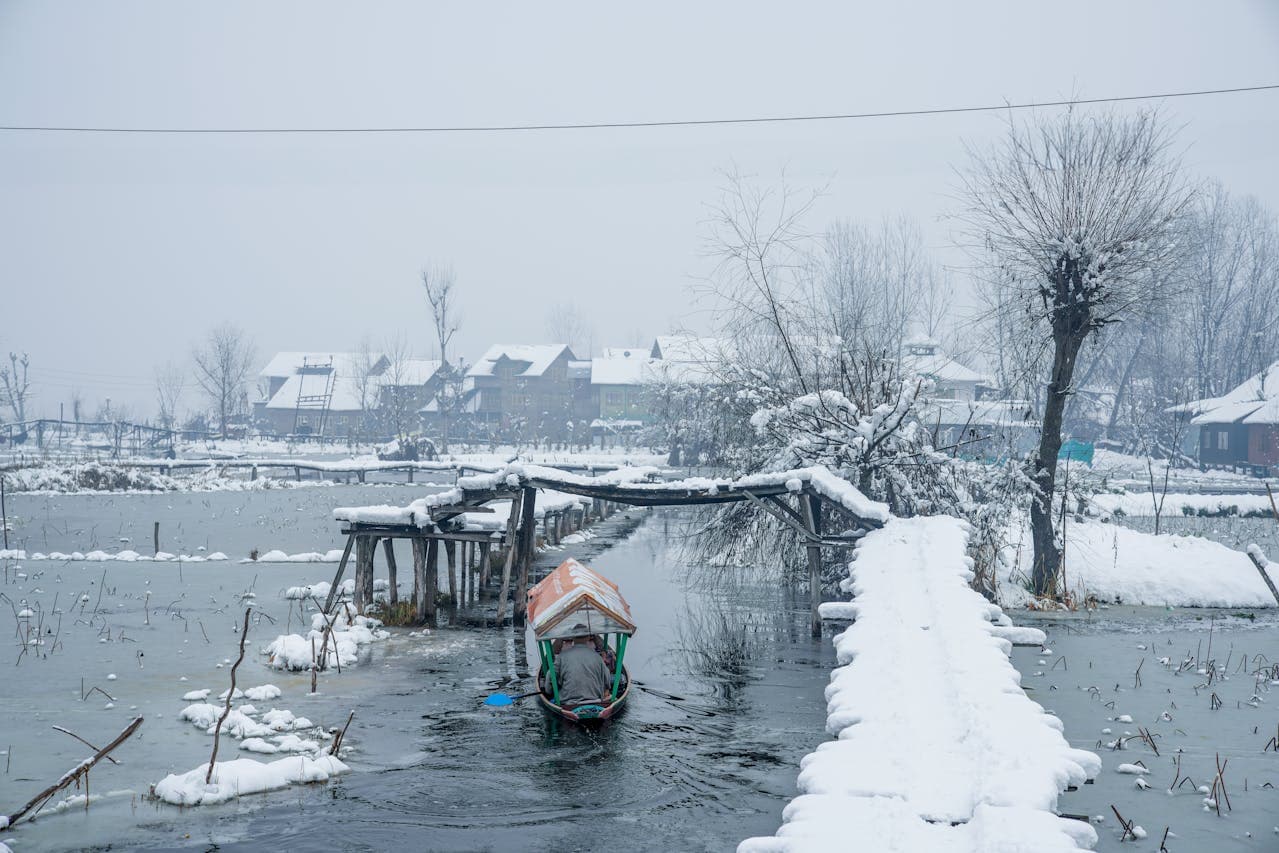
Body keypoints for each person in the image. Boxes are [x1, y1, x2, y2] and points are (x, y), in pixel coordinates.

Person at [555, 629, 613, 707]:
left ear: (573, 637)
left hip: (568, 702)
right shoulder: (597, 657)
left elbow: (550, 678)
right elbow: (607, 679)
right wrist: (607, 688)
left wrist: (549, 691)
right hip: (595, 699)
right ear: (588, 638)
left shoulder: (561, 656)